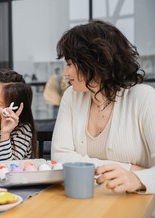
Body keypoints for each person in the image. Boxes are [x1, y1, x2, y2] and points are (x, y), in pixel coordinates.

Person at [51, 20, 155, 194]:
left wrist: (138, 180)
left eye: (69, 64)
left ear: (94, 63)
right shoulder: (71, 96)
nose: (65, 73)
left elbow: (69, 161)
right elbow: (60, 158)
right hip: (86, 203)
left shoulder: (144, 98)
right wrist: (132, 169)